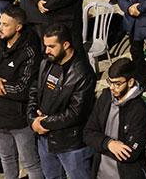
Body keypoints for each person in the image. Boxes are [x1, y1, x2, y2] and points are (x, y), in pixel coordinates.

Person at [0, 6, 43, 179]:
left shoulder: (30, 51)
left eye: (5, 24)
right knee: (6, 158)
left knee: (29, 162)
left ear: (18, 27)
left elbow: (23, 88)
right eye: (0, 23)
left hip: (20, 119)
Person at [29, 23, 95, 179]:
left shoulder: (82, 73)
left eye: (51, 46)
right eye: (45, 46)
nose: (47, 51)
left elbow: (76, 113)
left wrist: (44, 123)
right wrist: (32, 118)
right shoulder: (46, 62)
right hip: (45, 138)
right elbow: (34, 90)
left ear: (66, 45)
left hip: (70, 143)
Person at [84, 57, 146, 179]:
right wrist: (109, 144)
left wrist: (99, 143)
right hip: (99, 173)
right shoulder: (105, 98)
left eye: (117, 84)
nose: (112, 87)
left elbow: (130, 154)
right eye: (110, 82)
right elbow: (88, 133)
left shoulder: (139, 111)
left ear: (130, 82)